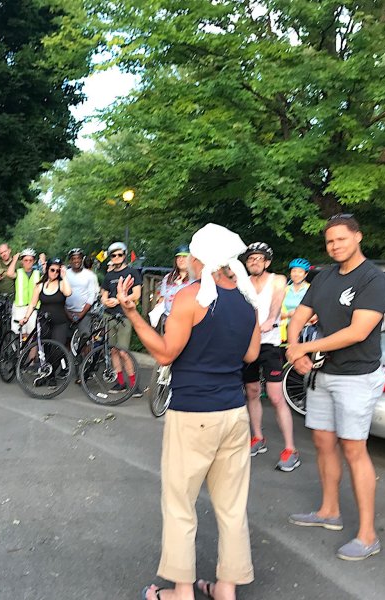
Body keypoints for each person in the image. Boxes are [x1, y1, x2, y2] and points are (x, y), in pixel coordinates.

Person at [116, 223, 260, 600]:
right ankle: (226, 588)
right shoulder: (247, 300)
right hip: (234, 413)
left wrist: (132, 314)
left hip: (193, 411)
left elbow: (164, 353)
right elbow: (251, 355)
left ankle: (182, 591)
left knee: (181, 504)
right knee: (231, 506)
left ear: (200, 259)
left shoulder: (190, 298)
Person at [286, 214, 385, 562]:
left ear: (358, 237)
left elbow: (358, 332)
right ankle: (329, 511)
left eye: (341, 239)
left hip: (357, 377)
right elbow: (300, 314)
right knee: (322, 441)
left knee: (353, 449)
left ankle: (367, 535)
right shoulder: (325, 276)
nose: (335, 246)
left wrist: (307, 348)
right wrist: (292, 345)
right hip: (322, 375)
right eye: (330, 241)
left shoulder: (373, 279)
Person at [241, 242, 299, 472]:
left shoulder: (278, 279)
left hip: (270, 344)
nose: (254, 261)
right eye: (251, 258)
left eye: (259, 258)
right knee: (252, 392)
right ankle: (257, 438)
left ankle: (291, 448)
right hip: (248, 344)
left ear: (267, 262)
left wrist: (270, 320)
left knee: (275, 397)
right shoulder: (242, 283)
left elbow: (276, 300)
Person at [100, 241, 141, 393]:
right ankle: (120, 382)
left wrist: (119, 300)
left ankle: (134, 384)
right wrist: (106, 301)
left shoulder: (132, 272)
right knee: (113, 351)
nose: (116, 257)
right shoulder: (109, 275)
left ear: (124, 255)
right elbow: (103, 294)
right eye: (113, 255)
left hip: (124, 316)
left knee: (124, 351)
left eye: (119, 254)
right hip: (109, 316)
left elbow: (137, 294)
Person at [20, 257, 71, 345]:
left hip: (59, 322)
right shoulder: (40, 285)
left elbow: (68, 293)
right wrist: (26, 317)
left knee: (57, 350)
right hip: (44, 321)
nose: (55, 273)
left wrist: (64, 276)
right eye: (52, 270)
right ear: (47, 269)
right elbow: (33, 303)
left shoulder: (62, 284)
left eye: (57, 271)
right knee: (45, 348)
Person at [65, 248, 99, 342]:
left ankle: (86, 356)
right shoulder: (65, 275)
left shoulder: (90, 275)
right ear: (70, 260)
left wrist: (81, 314)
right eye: (73, 258)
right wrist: (68, 313)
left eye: (78, 258)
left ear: (82, 259)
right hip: (67, 311)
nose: (76, 261)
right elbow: (61, 294)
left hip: (84, 312)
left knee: (85, 338)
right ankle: (68, 357)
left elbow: (92, 296)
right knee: (67, 339)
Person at [6, 248, 42, 335]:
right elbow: (9, 273)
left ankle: (31, 348)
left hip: (33, 307)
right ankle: (20, 348)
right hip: (19, 307)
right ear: (22, 261)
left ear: (34, 261)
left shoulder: (38, 273)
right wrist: (14, 260)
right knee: (20, 333)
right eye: (25, 260)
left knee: (32, 334)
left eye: (30, 260)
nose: (28, 262)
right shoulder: (19, 272)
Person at [280, 258, 311, 342]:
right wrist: (288, 314)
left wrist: (301, 316)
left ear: (305, 274)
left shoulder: (311, 289)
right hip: (284, 333)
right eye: (294, 271)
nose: (296, 274)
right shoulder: (284, 289)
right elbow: (275, 313)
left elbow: (317, 313)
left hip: (304, 331)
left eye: (300, 271)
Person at [157, 245, 192, 320]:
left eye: (184, 257)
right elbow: (162, 298)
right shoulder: (168, 278)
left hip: (188, 319)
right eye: (178, 257)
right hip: (168, 318)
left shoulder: (196, 279)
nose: (181, 260)